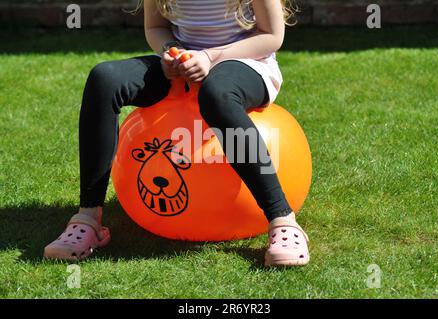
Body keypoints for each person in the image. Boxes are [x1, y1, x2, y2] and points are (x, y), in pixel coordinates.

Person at [44, 0, 310, 266]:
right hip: (183, 65)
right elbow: (156, 27)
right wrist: (171, 51)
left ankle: (282, 220)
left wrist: (209, 57)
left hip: (246, 64)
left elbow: (271, 36)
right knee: (104, 78)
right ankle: (88, 219)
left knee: (216, 94)